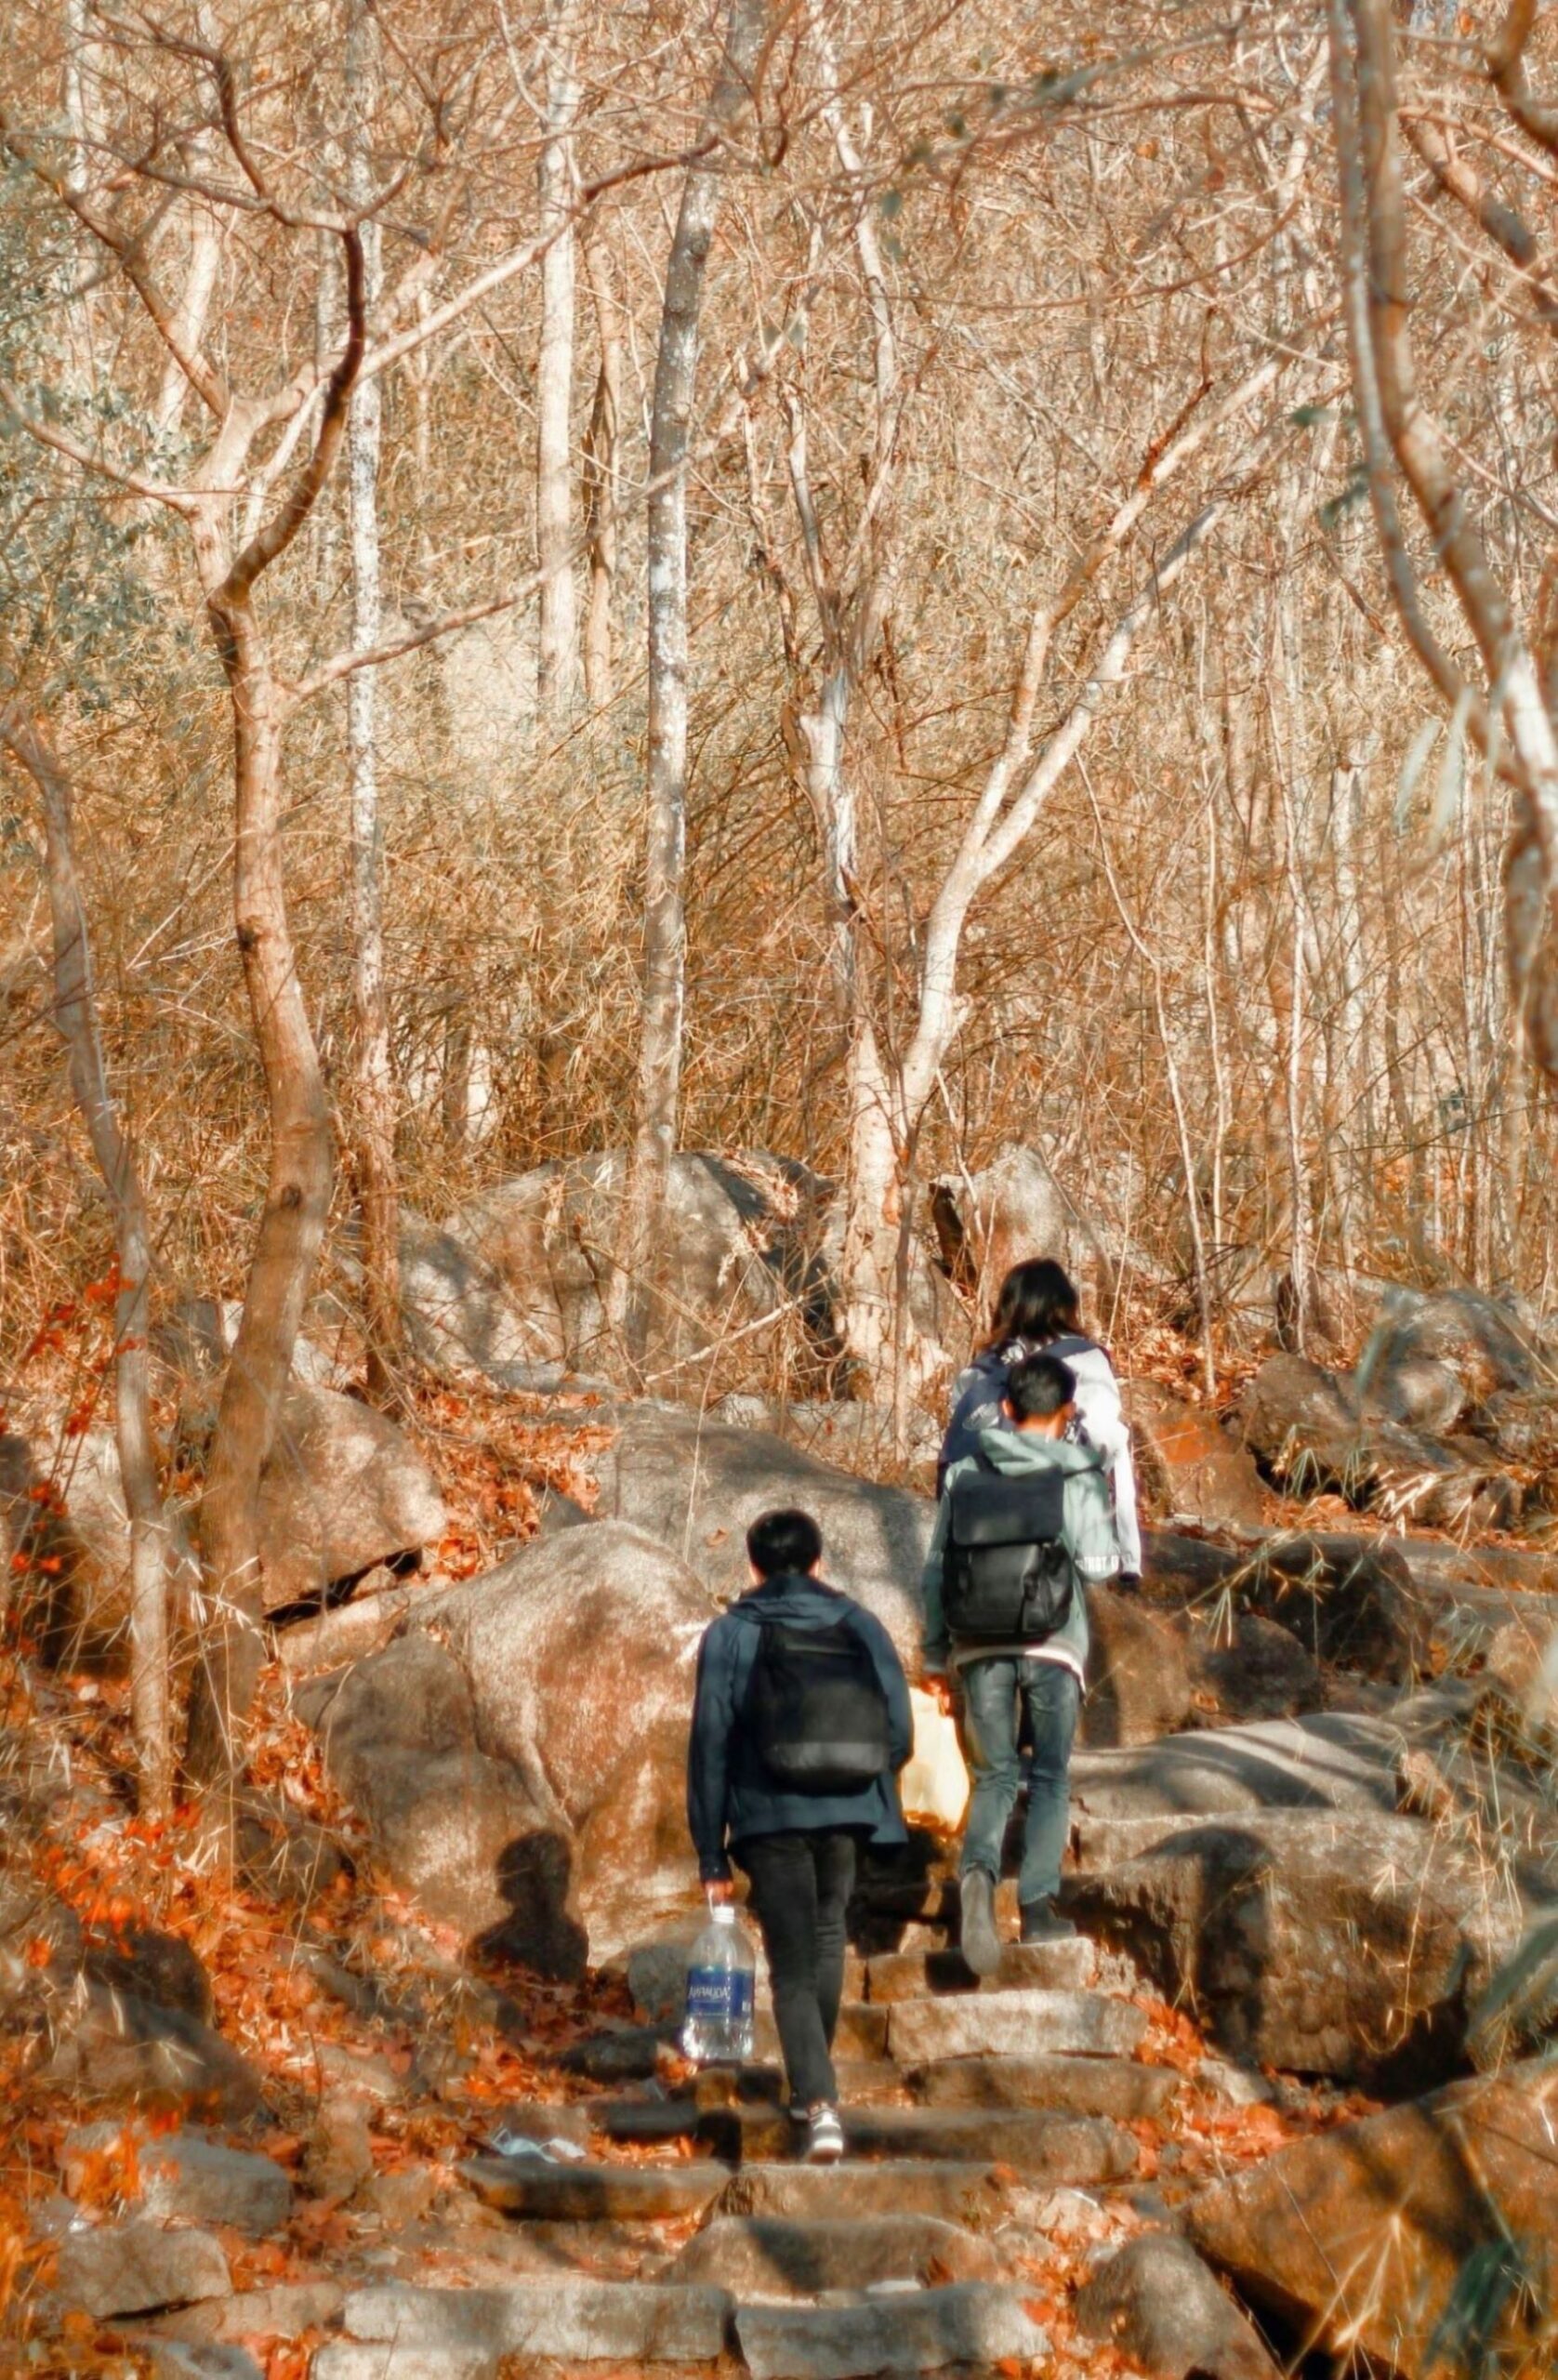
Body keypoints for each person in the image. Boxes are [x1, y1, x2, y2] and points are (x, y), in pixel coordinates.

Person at [687, 1507, 912, 2164]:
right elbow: (898, 1728)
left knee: (790, 1963)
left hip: (767, 1815)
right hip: (846, 1809)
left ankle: (819, 2106)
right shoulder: (859, 1624)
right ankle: (811, 2089)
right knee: (825, 1937)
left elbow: (710, 1743)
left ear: (752, 1567)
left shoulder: (731, 1633)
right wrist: (861, 1777)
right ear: (820, 1563)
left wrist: (710, 1846)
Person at [921, 1351, 1120, 1973]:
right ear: (1066, 1413)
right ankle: (1037, 1909)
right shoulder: (1076, 1472)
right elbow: (1097, 1565)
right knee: (1052, 1777)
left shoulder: (967, 1470)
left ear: (1006, 1409)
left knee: (994, 1777)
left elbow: (936, 1569)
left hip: (978, 1644)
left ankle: (977, 1881)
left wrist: (935, 1654)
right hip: (1054, 1645)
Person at [939, 1257, 1141, 1587]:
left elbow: (958, 1442)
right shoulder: (1087, 1358)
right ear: (1066, 1305)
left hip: (981, 1522)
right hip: (1061, 1519)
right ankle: (1120, 1564)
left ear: (1007, 1306)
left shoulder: (979, 1370)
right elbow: (1105, 1437)